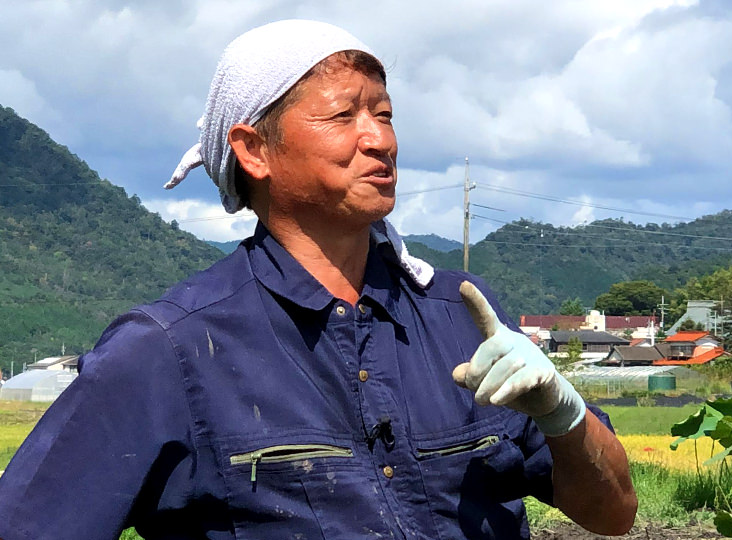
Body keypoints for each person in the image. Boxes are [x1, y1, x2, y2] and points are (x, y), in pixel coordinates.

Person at [0, 20, 636, 539]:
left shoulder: (461, 315)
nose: (379, 139)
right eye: (343, 117)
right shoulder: (167, 350)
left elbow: (613, 515)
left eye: (384, 115)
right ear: (254, 150)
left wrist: (563, 412)